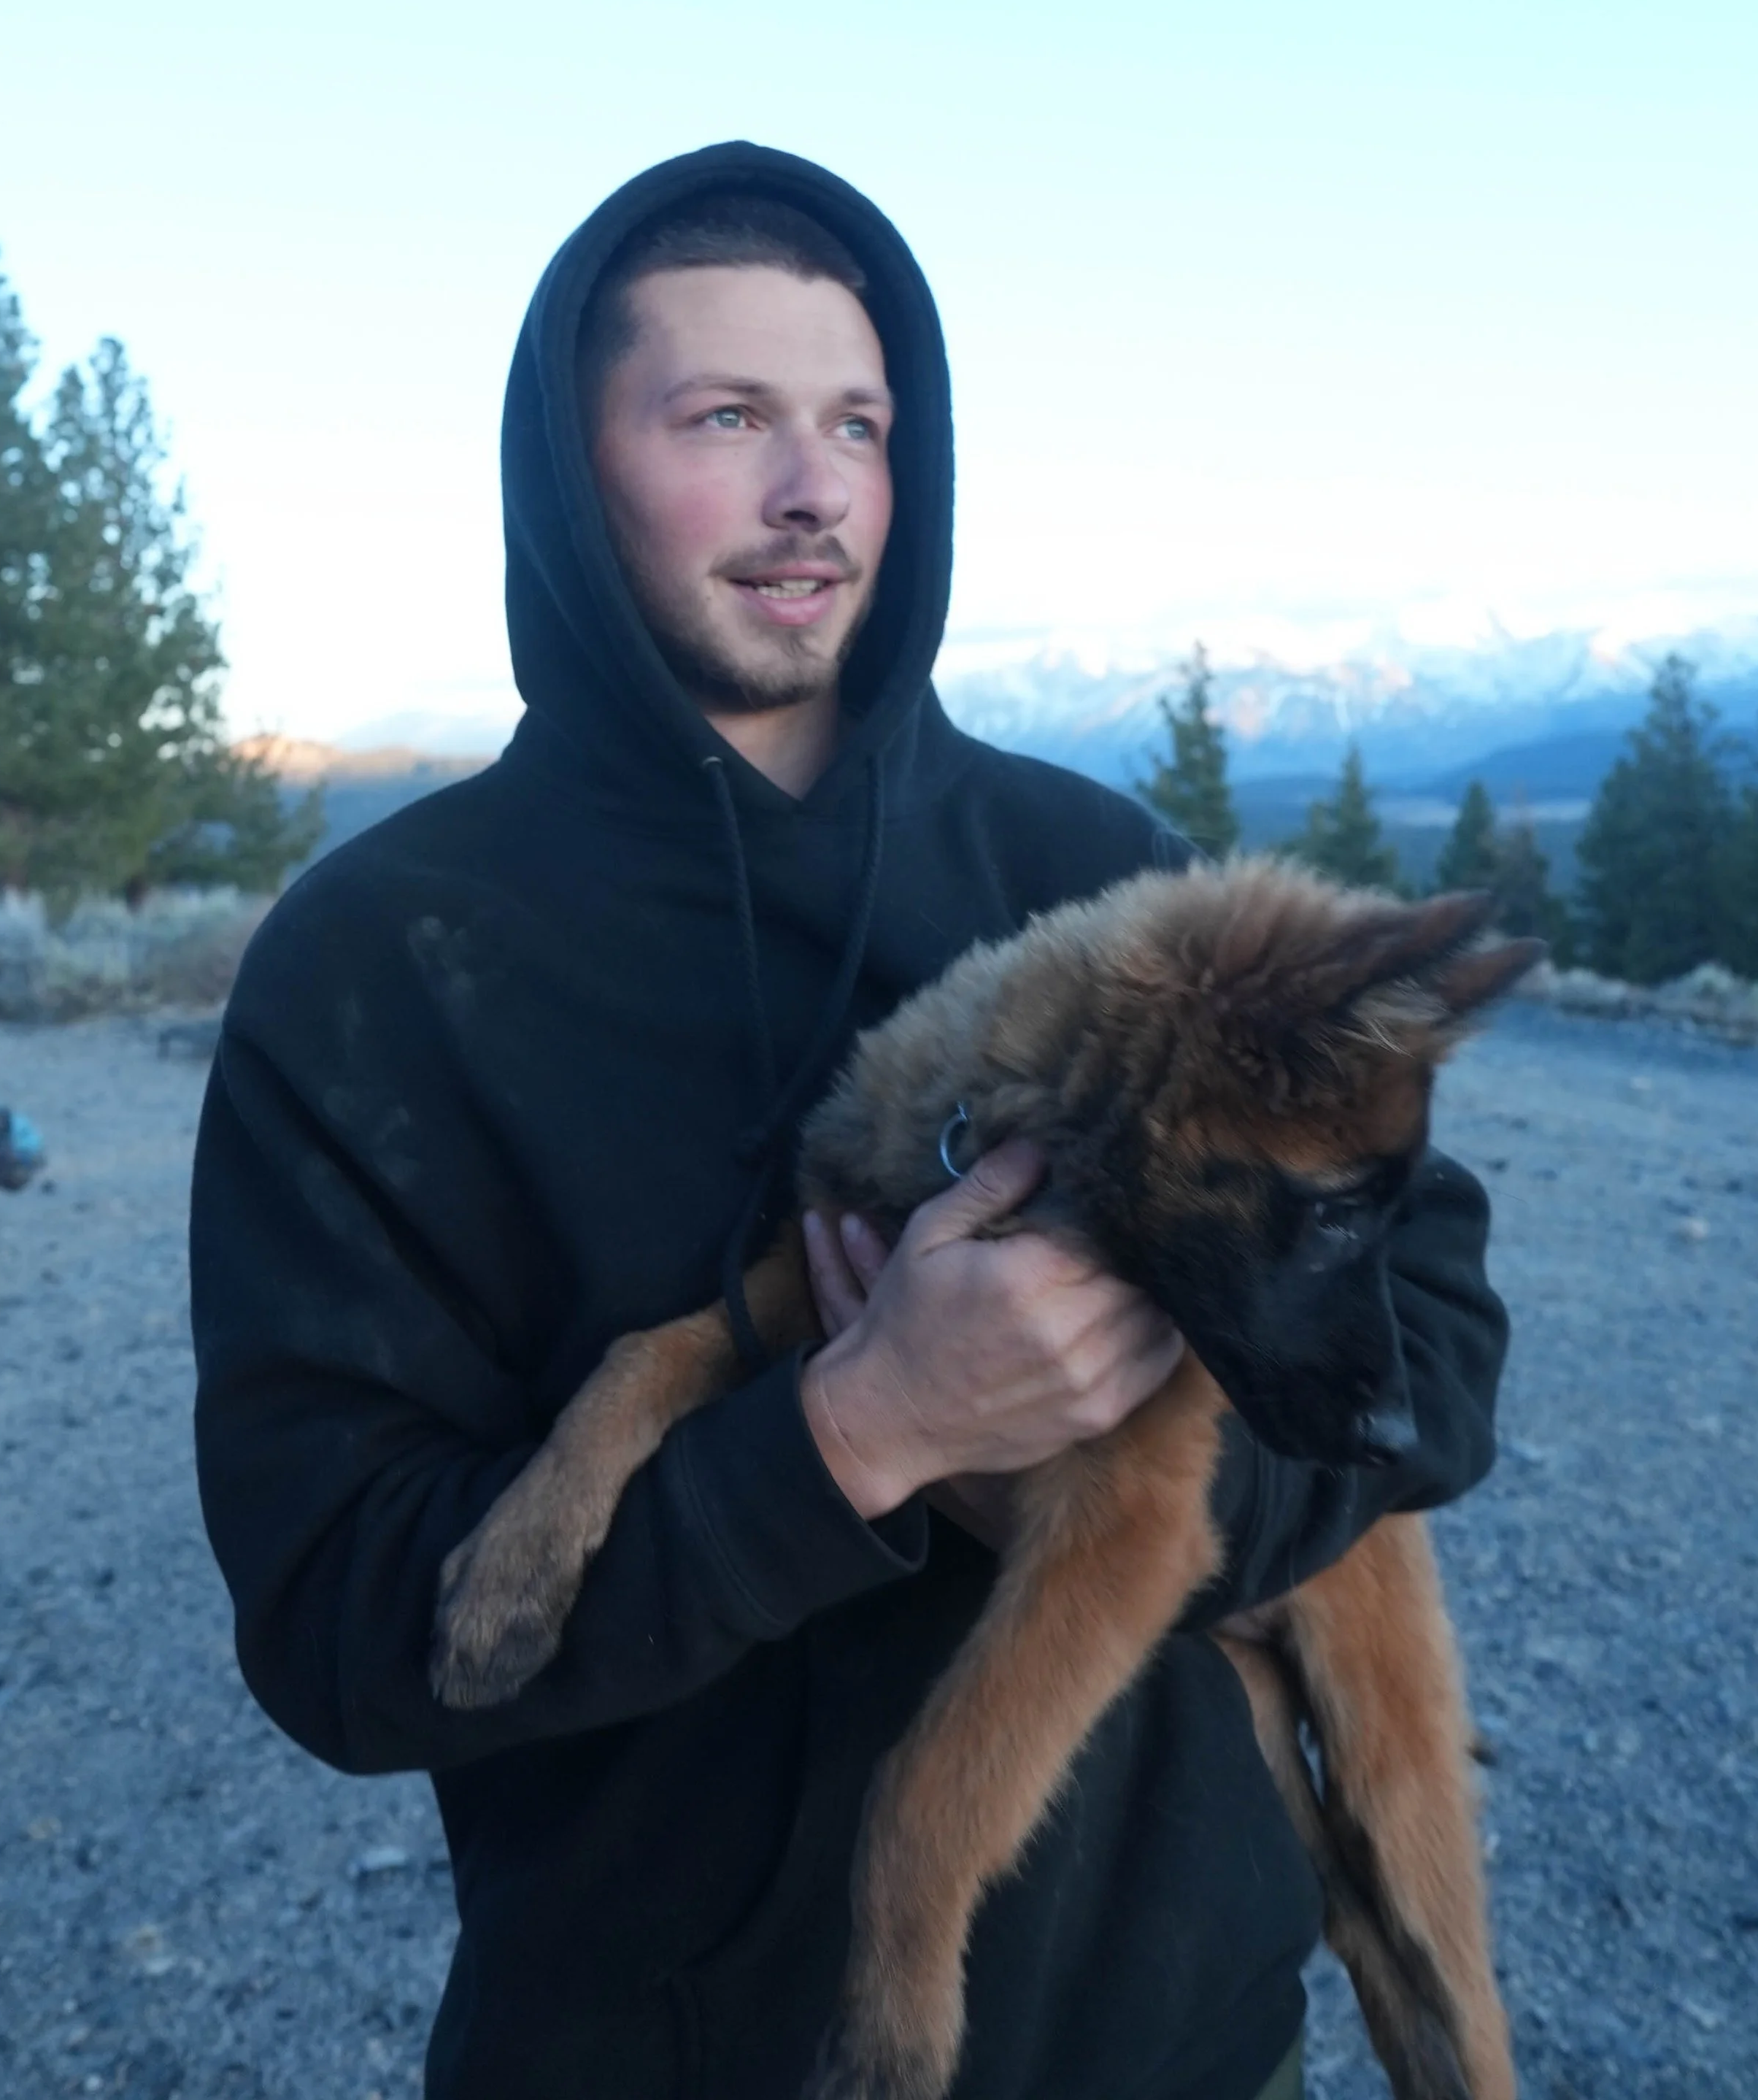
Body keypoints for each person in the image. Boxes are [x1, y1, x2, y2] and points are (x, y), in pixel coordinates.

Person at [190, 140, 1508, 2100]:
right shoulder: (379, 964)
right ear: (570, 466)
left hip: (1185, 2039)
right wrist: (850, 1440)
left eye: (860, 425)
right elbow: (343, 1631)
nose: (813, 491)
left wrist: (1095, 1486)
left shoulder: (1109, 879)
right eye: (725, 416)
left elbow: (1441, 1360)